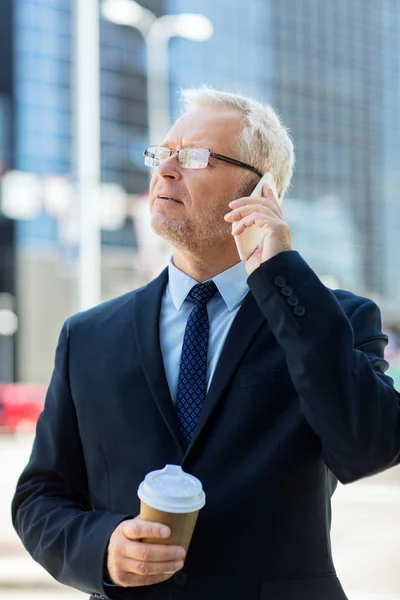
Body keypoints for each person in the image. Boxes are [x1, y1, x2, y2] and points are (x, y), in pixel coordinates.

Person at [12, 87, 400, 600]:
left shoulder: (334, 318)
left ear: (259, 191)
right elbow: (41, 496)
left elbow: (367, 447)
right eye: (162, 153)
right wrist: (102, 548)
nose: (166, 171)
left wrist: (283, 274)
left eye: (193, 157)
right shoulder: (88, 335)